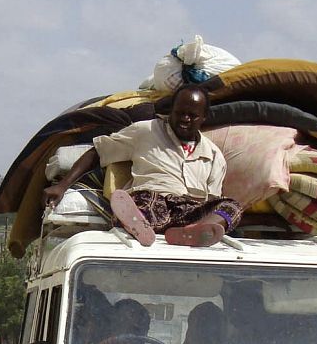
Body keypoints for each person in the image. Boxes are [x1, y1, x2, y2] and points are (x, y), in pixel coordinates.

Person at [43, 85, 237, 248]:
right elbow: (98, 152)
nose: (185, 119)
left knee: (231, 206)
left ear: (204, 117)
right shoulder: (145, 132)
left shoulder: (213, 156)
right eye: (180, 113)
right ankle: (133, 222)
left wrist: (208, 220)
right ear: (171, 110)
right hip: (152, 200)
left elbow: (212, 199)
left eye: (192, 115)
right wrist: (63, 185)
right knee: (143, 204)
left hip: (188, 212)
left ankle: (195, 233)